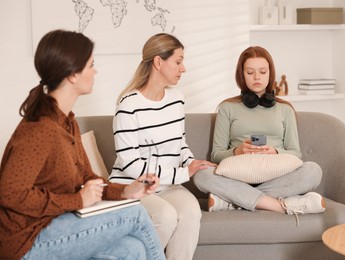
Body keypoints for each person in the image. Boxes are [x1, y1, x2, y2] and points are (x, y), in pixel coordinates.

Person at [0, 29, 165, 260]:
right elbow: (10, 194)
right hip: (26, 241)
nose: (95, 71)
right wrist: (77, 200)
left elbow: (87, 178)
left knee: (132, 249)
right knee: (135, 213)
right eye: (91, 65)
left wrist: (127, 190)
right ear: (72, 75)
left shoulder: (68, 122)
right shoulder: (40, 129)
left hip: (57, 224)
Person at [109, 33, 216, 260]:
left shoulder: (176, 99)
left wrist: (191, 162)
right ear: (159, 62)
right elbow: (130, 164)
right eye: (178, 61)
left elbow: (180, 143)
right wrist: (182, 173)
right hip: (133, 185)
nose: (183, 68)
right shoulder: (128, 105)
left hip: (168, 186)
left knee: (190, 212)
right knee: (165, 216)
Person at [193, 46, 325, 222]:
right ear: (242, 74)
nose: (257, 77)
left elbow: (295, 154)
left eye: (262, 72)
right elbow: (216, 154)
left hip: (278, 176)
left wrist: (275, 152)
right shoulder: (227, 108)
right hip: (237, 177)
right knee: (201, 175)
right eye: (250, 72)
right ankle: (279, 205)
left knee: (313, 171)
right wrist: (237, 151)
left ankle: (233, 202)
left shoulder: (285, 109)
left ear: (270, 73)